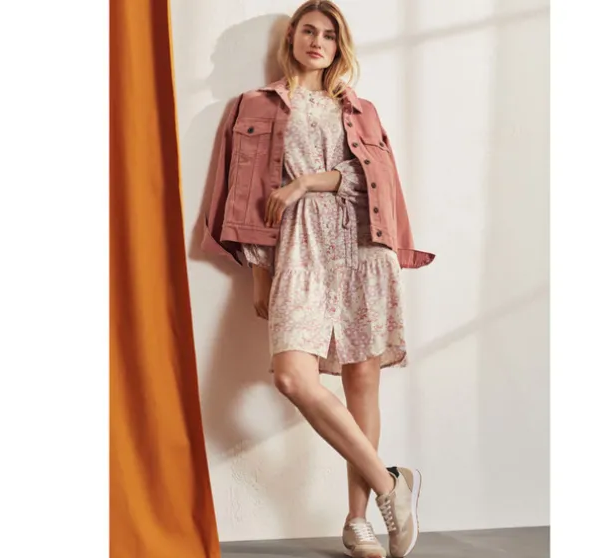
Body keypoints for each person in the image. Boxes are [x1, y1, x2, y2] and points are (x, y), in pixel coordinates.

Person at [202, 1, 435, 556]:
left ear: (338, 47)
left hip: (362, 244)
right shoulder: (254, 105)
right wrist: (259, 274)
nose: (317, 41)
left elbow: (376, 179)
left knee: (362, 381)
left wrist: (306, 181)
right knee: (293, 378)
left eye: (329, 35)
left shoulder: (360, 109)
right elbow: (248, 194)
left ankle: (358, 522)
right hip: (299, 248)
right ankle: (391, 485)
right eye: (308, 31)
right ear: (291, 39)